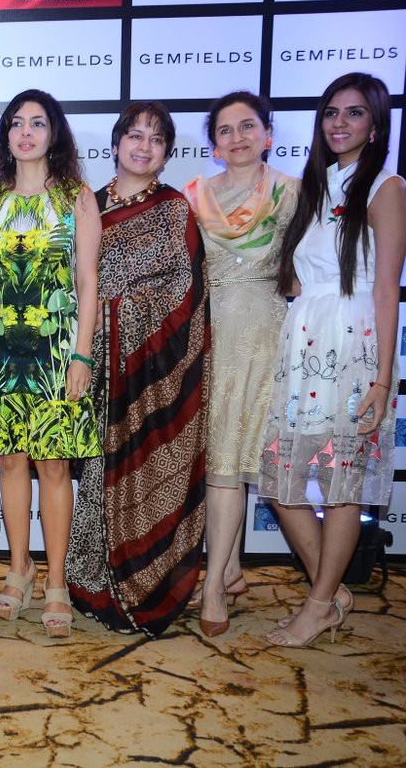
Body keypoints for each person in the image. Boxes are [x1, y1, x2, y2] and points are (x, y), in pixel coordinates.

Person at [260, 73, 405, 648]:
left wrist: (383, 377)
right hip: (304, 341)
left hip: (354, 342)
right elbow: (299, 274)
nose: (340, 123)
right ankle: (332, 591)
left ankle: (318, 604)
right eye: (331, 113)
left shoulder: (386, 187)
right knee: (278, 476)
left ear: (376, 125)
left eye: (354, 113)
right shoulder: (315, 186)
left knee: (343, 482)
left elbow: (387, 288)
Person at [66, 102, 209, 637]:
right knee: (95, 470)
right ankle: (91, 583)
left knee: (142, 467)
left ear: (166, 153)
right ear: (116, 143)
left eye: (156, 139)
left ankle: (144, 586)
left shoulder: (174, 210)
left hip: (150, 372)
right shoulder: (86, 203)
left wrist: (120, 310)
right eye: (134, 135)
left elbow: (186, 294)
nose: (143, 146)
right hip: (87, 359)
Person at [0, 89, 102, 638]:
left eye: (37, 123)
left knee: (54, 465)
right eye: (17, 123)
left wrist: (82, 354)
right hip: (1, 350)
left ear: (54, 133)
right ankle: (19, 568)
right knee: (11, 461)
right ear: (5, 135)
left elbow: (88, 283)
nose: (26, 133)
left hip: (56, 350)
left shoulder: (76, 197)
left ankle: (57, 580)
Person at [182, 92, 299, 637]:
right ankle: (227, 569)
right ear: (213, 144)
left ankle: (214, 585)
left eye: (247, 126)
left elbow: (307, 268)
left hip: (266, 336)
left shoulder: (291, 192)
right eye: (225, 130)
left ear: (267, 134)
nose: (237, 138)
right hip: (209, 336)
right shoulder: (196, 196)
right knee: (216, 457)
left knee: (236, 456)